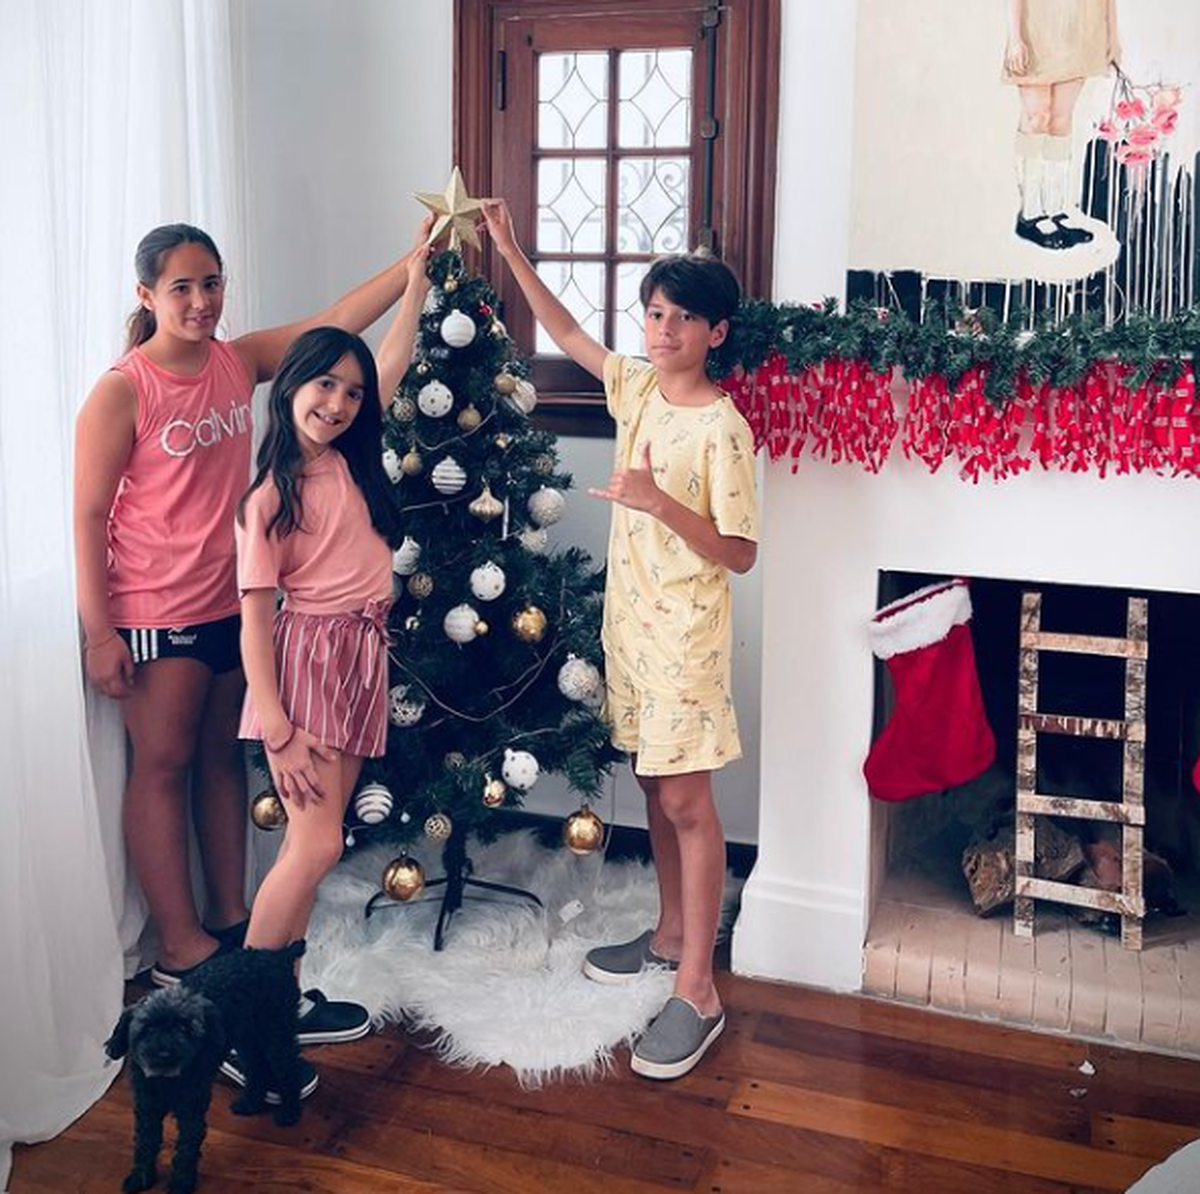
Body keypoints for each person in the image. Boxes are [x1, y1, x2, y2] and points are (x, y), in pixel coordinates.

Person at [74, 221, 423, 1023]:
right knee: (161, 766)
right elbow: (90, 513)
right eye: (181, 288)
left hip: (238, 603)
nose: (201, 301)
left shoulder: (240, 363)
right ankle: (180, 946)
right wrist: (100, 631)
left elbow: (337, 332)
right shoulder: (125, 388)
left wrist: (412, 268)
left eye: (212, 283)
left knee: (222, 766)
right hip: (159, 607)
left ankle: (232, 922)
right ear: (146, 296)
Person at [481, 198, 758, 1080]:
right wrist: (511, 251)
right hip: (630, 630)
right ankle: (672, 934)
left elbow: (741, 552)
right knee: (650, 784)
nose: (662, 327)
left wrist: (660, 503)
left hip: (685, 640)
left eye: (680, 316)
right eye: (653, 312)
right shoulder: (636, 386)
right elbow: (562, 326)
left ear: (716, 330)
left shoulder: (725, 428)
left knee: (687, 804)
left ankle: (699, 990)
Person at [233, 238, 432, 1089]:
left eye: (352, 394)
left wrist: (419, 276)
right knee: (310, 850)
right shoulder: (271, 493)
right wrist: (274, 722)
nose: (341, 403)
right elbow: (255, 618)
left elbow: (393, 352)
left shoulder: (350, 458)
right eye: (324, 385)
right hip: (310, 664)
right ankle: (246, 1025)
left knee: (321, 843)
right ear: (292, 386)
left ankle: (284, 998)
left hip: (359, 657)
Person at [1004, 0, 1121, 249]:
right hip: (1036, 27)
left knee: (1061, 119)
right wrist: (1015, 38)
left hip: (1080, 31)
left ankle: (1055, 210)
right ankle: (1030, 213)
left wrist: (1113, 36)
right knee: (1037, 118)